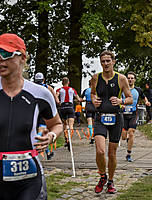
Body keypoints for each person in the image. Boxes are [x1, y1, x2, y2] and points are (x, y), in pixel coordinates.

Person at [0, 33, 63, 200]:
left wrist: (51, 136)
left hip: (28, 178)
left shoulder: (40, 93)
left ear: (22, 57)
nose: (1, 59)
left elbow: (57, 124)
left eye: (6, 54)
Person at [90, 50, 133, 194]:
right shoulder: (96, 78)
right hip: (100, 117)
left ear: (113, 62)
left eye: (108, 61)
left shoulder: (121, 79)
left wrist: (121, 101)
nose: (106, 64)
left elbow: (130, 99)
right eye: (103, 61)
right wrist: (94, 100)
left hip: (116, 118)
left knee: (112, 153)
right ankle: (102, 176)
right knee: (100, 151)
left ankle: (111, 181)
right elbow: (92, 93)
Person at [122, 72, 150, 162]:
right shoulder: (122, 89)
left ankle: (128, 154)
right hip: (123, 114)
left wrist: (146, 102)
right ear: (126, 79)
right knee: (123, 136)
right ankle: (128, 139)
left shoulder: (138, 90)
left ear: (134, 80)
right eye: (128, 78)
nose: (130, 80)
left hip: (134, 113)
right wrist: (120, 105)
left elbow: (144, 97)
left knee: (131, 132)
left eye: (132, 78)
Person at [35, 72, 60, 160]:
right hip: (44, 112)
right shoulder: (48, 88)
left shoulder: (32, 87)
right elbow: (57, 101)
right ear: (43, 80)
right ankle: (34, 147)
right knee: (43, 132)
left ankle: (48, 152)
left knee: (40, 131)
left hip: (34, 113)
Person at [56, 77, 81, 149]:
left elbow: (56, 96)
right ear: (68, 82)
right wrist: (77, 100)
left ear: (62, 83)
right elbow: (78, 99)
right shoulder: (72, 89)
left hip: (63, 108)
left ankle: (66, 139)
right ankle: (69, 139)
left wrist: (58, 102)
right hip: (70, 107)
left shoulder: (59, 90)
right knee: (71, 125)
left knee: (64, 124)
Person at [81, 80, 96, 144]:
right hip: (95, 106)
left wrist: (85, 100)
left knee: (89, 122)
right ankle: (95, 136)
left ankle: (92, 137)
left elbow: (80, 99)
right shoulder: (96, 90)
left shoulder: (86, 90)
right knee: (95, 122)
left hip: (88, 106)